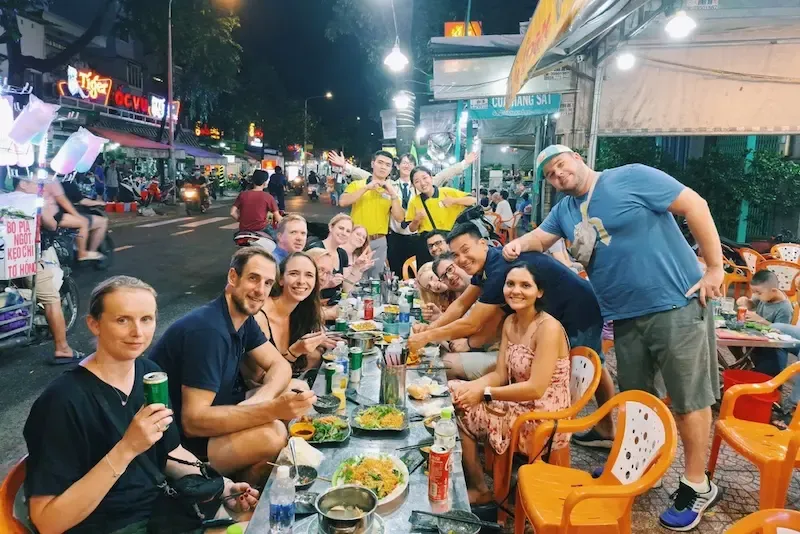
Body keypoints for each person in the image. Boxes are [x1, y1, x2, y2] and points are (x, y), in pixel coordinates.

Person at [503, 144, 723, 531]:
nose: (558, 176)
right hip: (624, 316)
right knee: (639, 401)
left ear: (575, 157)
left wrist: (716, 268)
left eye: (560, 166)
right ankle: (635, 471)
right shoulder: (566, 210)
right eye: (551, 176)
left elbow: (696, 205)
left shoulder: (630, 176)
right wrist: (519, 243)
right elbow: (541, 237)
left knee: (689, 400)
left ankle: (697, 484)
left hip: (676, 303)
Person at [24, 276, 258, 534]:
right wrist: (127, 448)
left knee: (260, 519)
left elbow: (170, 451)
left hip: (161, 513)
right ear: (94, 324)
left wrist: (223, 487)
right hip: (109, 526)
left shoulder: (149, 374)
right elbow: (47, 522)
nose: (138, 332)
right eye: (122, 320)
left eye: (146, 319)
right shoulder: (62, 402)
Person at [149, 248, 315, 486]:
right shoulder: (208, 331)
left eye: (267, 283)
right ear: (233, 277)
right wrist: (271, 410)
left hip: (219, 410)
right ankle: (224, 496)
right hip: (180, 444)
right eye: (253, 278)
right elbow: (193, 422)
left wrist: (262, 400)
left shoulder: (241, 318)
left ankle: (244, 485)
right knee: (273, 434)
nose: (260, 290)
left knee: (296, 387)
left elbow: (280, 365)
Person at [450, 263, 571, 505]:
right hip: (518, 400)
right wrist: (470, 389)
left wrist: (483, 395)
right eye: (510, 284)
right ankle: (477, 479)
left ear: (540, 292)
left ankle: (481, 488)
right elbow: (500, 374)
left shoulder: (549, 328)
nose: (515, 290)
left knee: (462, 413)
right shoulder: (510, 322)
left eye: (525, 285)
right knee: (454, 392)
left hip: (543, 414)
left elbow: (536, 388)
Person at [330, 151, 477, 278]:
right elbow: (370, 176)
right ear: (398, 166)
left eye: (410, 163)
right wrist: (346, 166)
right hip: (396, 237)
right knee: (396, 270)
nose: (407, 165)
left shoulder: (423, 185)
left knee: (426, 271)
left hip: (420, 237)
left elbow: (445, 174)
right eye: (403, 163)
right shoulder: (389, 186)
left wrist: (465, 163)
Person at [254, 252, 336, 374]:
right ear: (281, 279)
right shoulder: (259, 317)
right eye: (294, 274)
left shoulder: (302, 310)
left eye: (309, 275)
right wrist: (295, 352)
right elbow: (260, 378)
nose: (301, 281)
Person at [335, 150, 404, 280]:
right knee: (352, 277)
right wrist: (366, 188)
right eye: (380, 162)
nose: (383, 167)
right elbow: (343, 201)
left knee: (375, 279)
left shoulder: (392, 191)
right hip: (356, 240)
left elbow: (399, 218)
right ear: (373, 164)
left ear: (391, 169)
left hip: (379, 241)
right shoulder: (358, 185)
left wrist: (393, 195)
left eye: (388, 165)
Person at [17, 176, 104, 261]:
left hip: (43, 216)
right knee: (83, 222)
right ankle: (82, 253)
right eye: (37, 184)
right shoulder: (50, 180)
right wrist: (78, 216)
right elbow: (63, 201)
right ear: (23, 184)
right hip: (53, 216)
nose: (41, 187)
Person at [736, 269, 793, 376]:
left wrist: (760, 320)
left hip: (773, 351)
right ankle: (744, 362)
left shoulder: (784, 308)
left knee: (766, 377)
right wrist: (746, 301)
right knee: (733, 337)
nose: (756, 295)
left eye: (758, 293)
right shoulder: (764, 295)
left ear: (774, 291)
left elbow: (781, 333)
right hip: (757, 340)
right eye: (754, 292)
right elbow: (752, 304)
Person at [406, 166, 477, 238]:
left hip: (451, 238)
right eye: (417, 181)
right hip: (428, 241)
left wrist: (454, 201)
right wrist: (417, 219)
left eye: (424, 178)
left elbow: (473, 200)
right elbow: (411, 229)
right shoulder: (414, 202)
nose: (422, 183)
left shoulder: (446, 192)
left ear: (431, 177)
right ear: (413, 185)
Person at [321, 214, 370, 301]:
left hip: (335, 304)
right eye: (341, 228)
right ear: (331, 227)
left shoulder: (341, 254)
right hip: (315, 306)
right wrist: (328, 285)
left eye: (348, 231)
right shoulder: (317, 249)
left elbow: (345, 289)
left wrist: (356, 268)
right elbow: (305, 286)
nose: (344, 233)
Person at [61, 176, 110, 252]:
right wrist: (99, 203)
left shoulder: (47, 182)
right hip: (63, 216)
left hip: (51, 217)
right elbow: (82, 201)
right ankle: (90, 253)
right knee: (101, 222)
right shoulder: (67, 183)